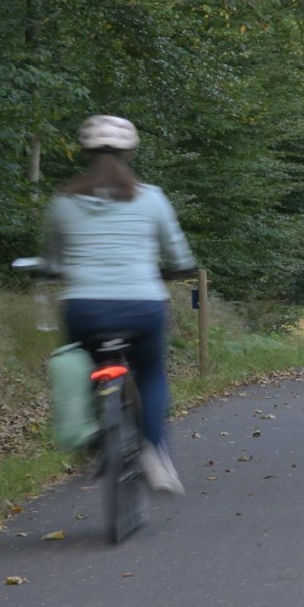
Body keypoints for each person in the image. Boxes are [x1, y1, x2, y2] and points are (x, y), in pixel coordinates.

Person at [44, 115, 196, 495]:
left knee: (83, 363)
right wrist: (177, 269)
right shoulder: (152, 197)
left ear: (85, 152)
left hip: (85, 309)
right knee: (151, 372)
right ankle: (153, 449)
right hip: (143, 306)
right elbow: (178, 253)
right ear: (130, 152)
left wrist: (54, 270)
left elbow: (52, 259)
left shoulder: (64, 200)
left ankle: (93, 433)